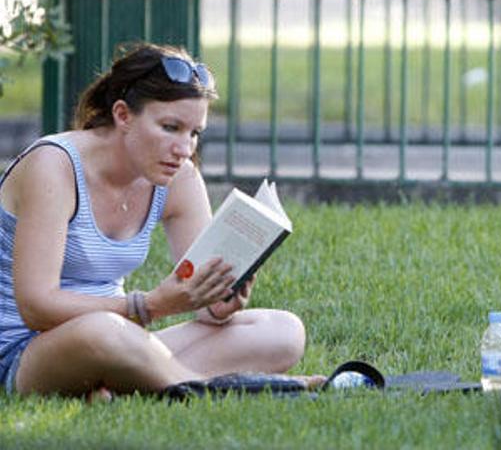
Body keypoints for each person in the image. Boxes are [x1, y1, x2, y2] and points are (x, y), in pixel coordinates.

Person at [0, 43, 320, 399]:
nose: (185, 148)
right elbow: (36, 307)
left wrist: (219, 302)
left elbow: (206, 307)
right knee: (102, 332)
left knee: (281, 331)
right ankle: (211, 389)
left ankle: (123, 384)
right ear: (123, 115)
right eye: (171, 127)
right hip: (21, 353)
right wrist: (150, 305)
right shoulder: (54, 165)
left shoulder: (178, 176)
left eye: (194, 132)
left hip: (121, 340)